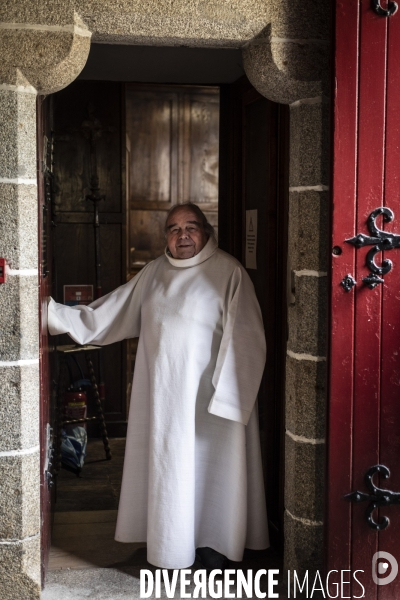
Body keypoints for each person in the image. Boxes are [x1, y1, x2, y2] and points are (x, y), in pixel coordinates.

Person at [48, 202, 269, 570]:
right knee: (173, 471)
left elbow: (247, 337)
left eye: (191, 227)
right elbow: (110, 311)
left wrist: (230, 398)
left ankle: (214, 546)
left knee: (214, 473)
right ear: (165, 235)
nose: (182, 235)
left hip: (211, 403)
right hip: (166, 401)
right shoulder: (153, 273)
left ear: (206, 231)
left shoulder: (229, 272)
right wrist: (54, 314)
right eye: (173, 228)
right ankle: (172, 545)